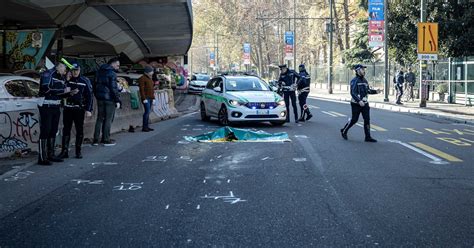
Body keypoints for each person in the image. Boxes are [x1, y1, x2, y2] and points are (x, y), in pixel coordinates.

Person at [37, 62, 78, 165]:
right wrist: (63, 90)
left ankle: (51, 154)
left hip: (56, 106)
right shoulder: (48, 74)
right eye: (65, 68)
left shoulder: (62, 77)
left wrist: (69, 93)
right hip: (46, 106)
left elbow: (60, 94)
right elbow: (46, 88)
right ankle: (42, 157)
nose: (66, 71)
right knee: (45, 130)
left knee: (53, 130)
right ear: (59, 66)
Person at [58, 63, 93, 159]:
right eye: (73, 70)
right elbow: (60, 91)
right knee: (66, 129)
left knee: (79, 130)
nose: (75, 72)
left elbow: (89, 96)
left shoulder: (84, 81)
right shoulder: (67, 80)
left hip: (79, 108)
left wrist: (88, 109)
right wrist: (66, 80)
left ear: (80, 70)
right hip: (68, 108)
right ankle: (64, 151)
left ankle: (78, 151)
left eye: (76, 70)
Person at [340, 64, 379, 142]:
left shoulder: (365, 80)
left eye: (364, 69)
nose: (363, 71)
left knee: (367, 119)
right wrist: (359, 101)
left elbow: (368, 90)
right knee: (354, 119)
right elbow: (353, 92)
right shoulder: (354, 81)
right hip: (356, 104)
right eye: (362, 69)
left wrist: (376, 91)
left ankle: (368, 137)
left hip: (365, 103)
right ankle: (344, 131)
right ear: (357, 71)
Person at [92, 58, 121, 146]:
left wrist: (97, 95)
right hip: (109, 99)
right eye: (117, 64)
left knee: (99, 118)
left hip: (100, 98)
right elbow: (113, 88)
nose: (118, 67)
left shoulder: (98, 72)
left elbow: (94, 85)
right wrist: (117, 100)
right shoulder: (112, 73)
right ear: (112, 64)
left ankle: (96, 139)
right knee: (108, 119)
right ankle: (106, 139)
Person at [138, 66, 156, 132]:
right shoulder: (142, 78)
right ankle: (144, 127)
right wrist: (144, 98)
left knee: (148, 112)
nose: (153, 72)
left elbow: (152, 90)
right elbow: (141, 89)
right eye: (151, 71)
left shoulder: (150, 78)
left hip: (150, 97)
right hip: (146, 98)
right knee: (147, 112)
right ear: (148, 72)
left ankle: (146, 126)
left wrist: (153, 98)